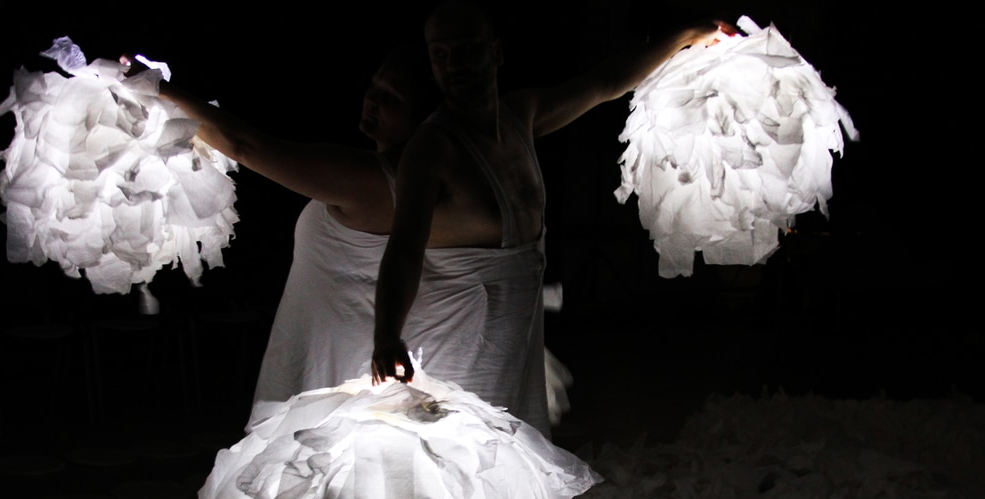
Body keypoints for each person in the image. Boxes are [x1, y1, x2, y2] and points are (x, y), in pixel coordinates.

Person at [371, 2, 730, 435]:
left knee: (509, 460)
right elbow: (404, 249)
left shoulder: (521, 115)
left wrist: (687, 34)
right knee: (457, 458)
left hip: (513, 332)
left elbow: (604, 83)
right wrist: (387, 335)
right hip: (458, 336)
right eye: (441, 54)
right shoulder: (431, 150)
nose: (454, 65)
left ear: (496, 53)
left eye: (467, 50)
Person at [145, 46, 437, 408]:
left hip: (348, 369)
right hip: (338, 354)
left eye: (391, 97)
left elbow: (245, 146)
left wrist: (159, 88)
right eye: (374, 86)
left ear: (422, 118)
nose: (372, 99)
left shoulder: (375, 179)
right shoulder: (398, 180)